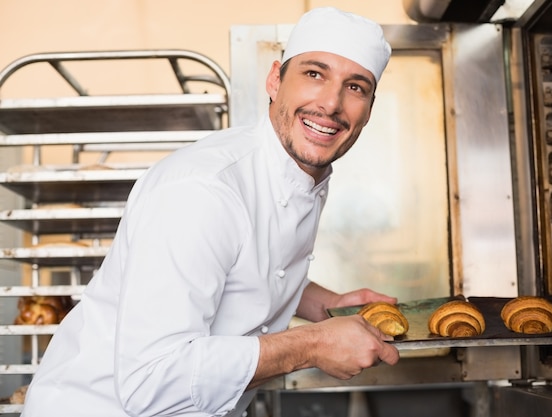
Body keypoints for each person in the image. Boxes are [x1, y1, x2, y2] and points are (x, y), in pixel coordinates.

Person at [22, 6, 399, 417]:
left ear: (369, 109)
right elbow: (152, 380)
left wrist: (327, 304)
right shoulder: (203, 190)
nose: (331, 104)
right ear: (275, 79)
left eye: (356, 87)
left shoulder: (300, 172)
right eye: (314, 74)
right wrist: (312, 344)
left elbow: (249, 265)